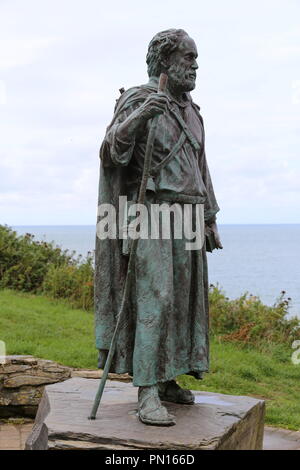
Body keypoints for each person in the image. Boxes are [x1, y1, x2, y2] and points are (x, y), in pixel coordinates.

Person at [95, 29, 222, 426]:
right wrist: (138, 117)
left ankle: (167, 379)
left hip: (187, 217)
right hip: (150, 215)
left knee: (184, 304)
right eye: (188, 58)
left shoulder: (193, 112)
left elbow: (202, 168)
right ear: (165, 61)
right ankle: (147, 390)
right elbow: (111, 152)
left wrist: (210, 217)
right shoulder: (137, 99)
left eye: (196, 58)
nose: (195, 65)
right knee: (157, 300)